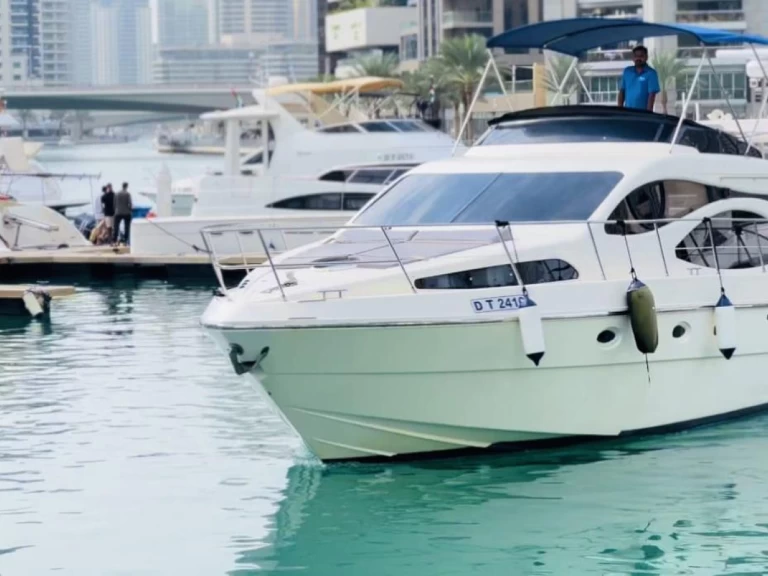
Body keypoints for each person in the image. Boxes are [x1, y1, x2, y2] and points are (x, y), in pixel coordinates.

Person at [617, 45, 660, 112]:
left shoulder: (651, 73)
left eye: (641, 56)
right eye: (636, 56)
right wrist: (619, 111)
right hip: (627, 113)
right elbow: (622, 91)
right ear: (633, 58)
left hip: (642, 114)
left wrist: (648, 114)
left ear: (646, 57)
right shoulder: (627, 71)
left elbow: (651, 96)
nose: (638, 58)